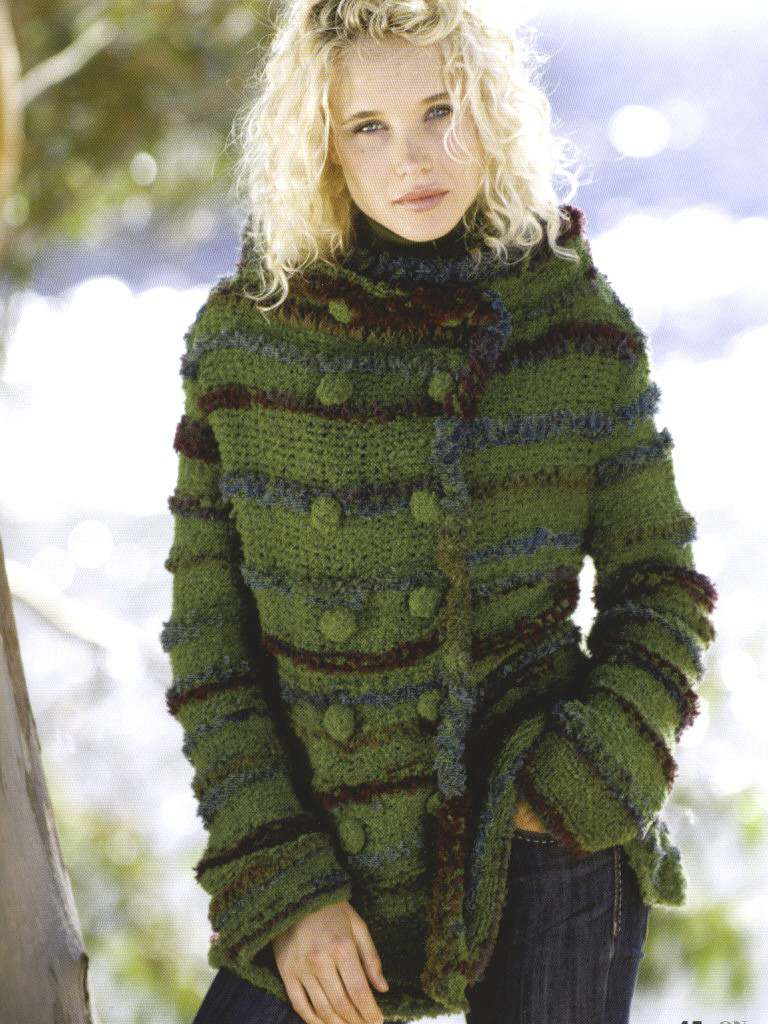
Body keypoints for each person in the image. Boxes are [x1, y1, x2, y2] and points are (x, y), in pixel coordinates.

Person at [159, 2, 718, 1023]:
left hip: (549, 832)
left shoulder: (572, 318)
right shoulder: (248, 342)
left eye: (439, 109)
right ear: (322, 143)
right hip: (325, 860)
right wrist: (284, 885)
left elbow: (661, 587)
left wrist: (574, 788)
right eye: (368, 126)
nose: (413, 157)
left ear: (491, 107)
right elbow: (212, 649)